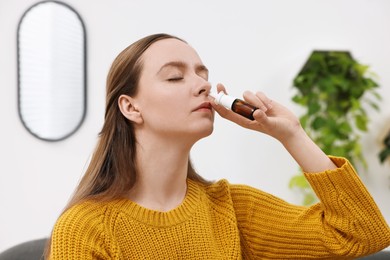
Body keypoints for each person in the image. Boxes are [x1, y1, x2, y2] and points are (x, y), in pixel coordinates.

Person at [46, 33, 390, 259]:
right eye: (175, 76)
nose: (202, 86)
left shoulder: (233, 210)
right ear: (130, 107)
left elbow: (363, 233)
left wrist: (292, 135)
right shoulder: (85, 229)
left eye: (202, 74)